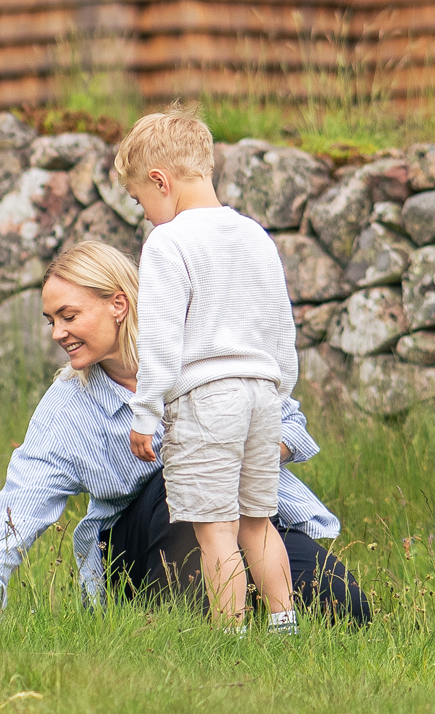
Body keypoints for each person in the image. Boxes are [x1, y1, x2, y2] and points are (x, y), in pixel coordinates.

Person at [0, 241, 369, 627]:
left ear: (118, 305)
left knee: (347, 606)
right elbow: (17, 508)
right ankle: (194, 621)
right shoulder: (67, 406)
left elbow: (288, 420)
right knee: (179, 472)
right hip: (141, 551)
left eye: (69, 316)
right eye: (51, 320)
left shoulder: (196, 352)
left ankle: (249, 611)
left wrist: (242, 450)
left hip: (240, 520)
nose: (58, 333)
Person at [112, 104, 307, 634]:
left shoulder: (168, 242)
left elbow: (160, 339)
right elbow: (281, 330)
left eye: (141, 199)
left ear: (161, 180)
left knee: (214, 531)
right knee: (258, 523)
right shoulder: (255, 237)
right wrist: (278, 391)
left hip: (207, 401)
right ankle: (285, 627)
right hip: (263, 397)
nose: (145, 213)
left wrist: (145, 413)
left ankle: (232, 637)